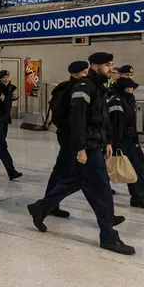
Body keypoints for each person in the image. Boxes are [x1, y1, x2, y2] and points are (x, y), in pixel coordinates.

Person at [27, 52, 135, 256]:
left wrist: (109, 141)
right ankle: (108, 236)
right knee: (102, 188)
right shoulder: (84, 87)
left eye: (111, 64)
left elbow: (102, 118)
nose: (110, 67)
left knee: (75, 181)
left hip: (96, 143)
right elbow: (77, 120)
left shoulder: (100, 87)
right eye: (107, 65)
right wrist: (80, 148)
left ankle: (41, 208)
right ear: (95, 66)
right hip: (88, 145)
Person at [109, 76, 144, 210]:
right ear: (126, 88)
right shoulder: (117, 102)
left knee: (138, 166)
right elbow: (117, 125)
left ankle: (141, 193)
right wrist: (118, 143)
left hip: (130, 140)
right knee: (132, 169)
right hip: (123, 141)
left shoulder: (127, 100)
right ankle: (137, 197)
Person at [43, 60, 90, 219]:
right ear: (74, 74)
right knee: (67, 170)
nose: (86, 75)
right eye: (83, 72)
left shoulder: (68, 87)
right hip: (70, 135)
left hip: (70, 135)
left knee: (63, 169)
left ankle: (50, 203)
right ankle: (48, 204)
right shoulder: (70, 89)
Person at [0, 69, 22, 180]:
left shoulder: (10, 88)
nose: (6, 79)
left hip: (5, 120)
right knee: (2, 146)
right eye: (3, 77)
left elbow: (10, 102)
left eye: (7, 77)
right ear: (0, 78)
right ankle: (11, 171)